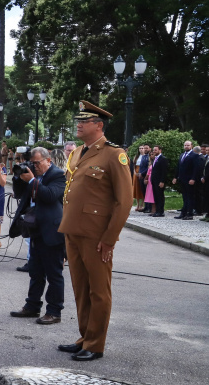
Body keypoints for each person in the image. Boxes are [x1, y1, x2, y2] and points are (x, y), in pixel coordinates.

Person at [57, 100, 133, 361]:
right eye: (78, 120)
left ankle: (95, 344)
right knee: (81, 288)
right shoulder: (77, 152)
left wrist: (110, 239)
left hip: (96, 235)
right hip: (73, 230)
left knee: (98, 291)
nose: (78, 124)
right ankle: (84, 337)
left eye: (84, 121)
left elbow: (124, 201)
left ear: (98, 126)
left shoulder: (114, 154)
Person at [10, 147, 66, 325]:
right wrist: (19, 178)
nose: (35, 166)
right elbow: (20, 194)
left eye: (37, 163)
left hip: (52, 231)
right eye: (32, 163)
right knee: (35, 272)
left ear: (48, 160)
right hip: (35, 229)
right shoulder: (32, 174)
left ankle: (54, 312)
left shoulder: (57, 175)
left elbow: (50, 196)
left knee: (54, 274)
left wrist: (33, 180)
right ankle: (32, 306)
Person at [172, 140, 198, 220]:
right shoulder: (182, 155)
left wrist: (193, 178)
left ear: (191, 146)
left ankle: (189, 214)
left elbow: (196, 168)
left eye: (188, 145)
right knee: (184, 197)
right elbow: (179, 167)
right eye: (185, 145)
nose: (186, 146)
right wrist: (175, 177)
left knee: (190, 197)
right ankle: (183, 213)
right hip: (182, 179)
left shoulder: (194, 155)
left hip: (189, 179)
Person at [149, 145, 168, 217]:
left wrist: (162, 181)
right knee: (156, 196)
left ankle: (161, 211)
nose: (154, 151)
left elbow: (164, 171)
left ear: (160, 150)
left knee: (160, 196)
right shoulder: (155, 158)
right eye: (153, 150)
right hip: (154, 180)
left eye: (156, 150)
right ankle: (157, 210)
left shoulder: (163, 159)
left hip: (159, 181)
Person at [134, 144, 151, 212]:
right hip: (139, 174)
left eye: (144, 148)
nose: (143, 149)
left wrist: (142, 173)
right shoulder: (140, 156)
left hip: (144, 174)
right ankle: (144, 206)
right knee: (141, 190)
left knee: (146, 191)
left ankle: (145, 205)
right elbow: (136, 165)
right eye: (140, 148)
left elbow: (148, 167)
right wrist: (136, 173)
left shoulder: (148, 156)